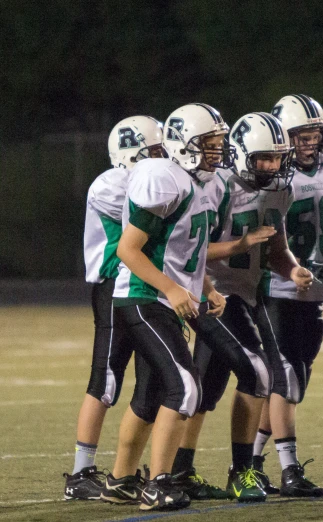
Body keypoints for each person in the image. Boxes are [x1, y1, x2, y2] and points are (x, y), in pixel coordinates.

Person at [170, 112, 313, 502]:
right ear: (243, 153)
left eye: (277, 157)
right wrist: (237, 246)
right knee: (259, 374)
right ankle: (242, 471)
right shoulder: (217, 186)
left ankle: (179, 471)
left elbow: (276, 249)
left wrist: (294, 270)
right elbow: (190, 248)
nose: (272, 166)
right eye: (263, 157)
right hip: (214, 293)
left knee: (206, 387)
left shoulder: (281, 190)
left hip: (249, 295)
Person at [100, 103, 233, 511]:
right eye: (208, 144)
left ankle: (121, 480)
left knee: (151, 392)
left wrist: (205, 286)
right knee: (185, 387)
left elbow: (181, 252)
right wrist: (173, 290)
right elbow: (128, 249)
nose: (217, 151)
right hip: (143, 297)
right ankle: (158, 484)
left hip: (160, 296)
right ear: (183, 146)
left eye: (218, 143)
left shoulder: (196, 183)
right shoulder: (163, 179)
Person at [253, 94, 323, 497]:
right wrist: (298, 267)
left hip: (313, 294)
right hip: (277, 289)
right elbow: (263, 241)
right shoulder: (272, 174)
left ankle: (252, 462)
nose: (311, 142)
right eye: (301, 135)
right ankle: (289, 469)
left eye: (315, 134)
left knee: (295, 381)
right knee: (286, 379)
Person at [63, 116, 165, 500]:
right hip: (113, 285)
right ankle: (80, 473)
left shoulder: (143, 180)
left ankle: (127, 473)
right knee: (106, 380)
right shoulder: (110, 185)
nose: (162, 160)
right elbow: (150, 218)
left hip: (142, 286)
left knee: (152, 378)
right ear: (130, 153)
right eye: (155, 152)